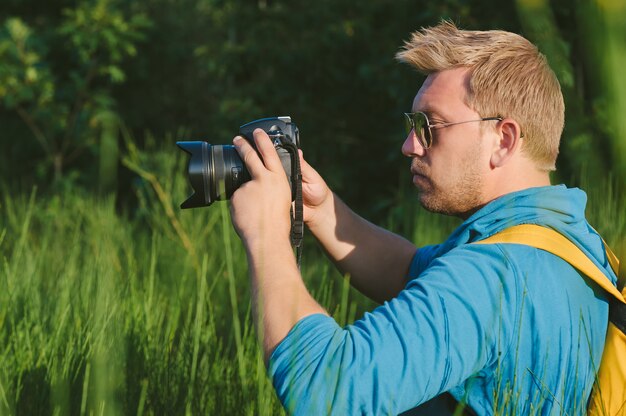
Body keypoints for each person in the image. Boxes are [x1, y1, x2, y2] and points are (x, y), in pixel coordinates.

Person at [228, 21, 615, 415]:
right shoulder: (569, 244)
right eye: (412, 126)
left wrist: (266, 236)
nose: (409, 145)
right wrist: (323, 211)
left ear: (504, 139)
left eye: (430, 126)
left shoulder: (487, 276)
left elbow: (326, 389)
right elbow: (412, 271)